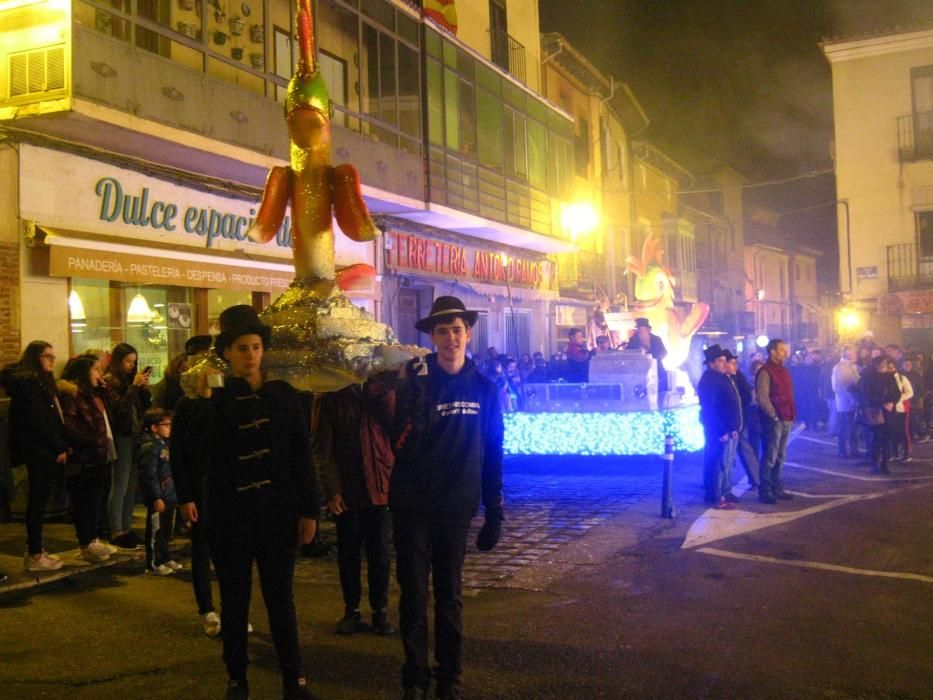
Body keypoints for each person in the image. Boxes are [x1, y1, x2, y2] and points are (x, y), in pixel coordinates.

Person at [184, 305, 320, 700]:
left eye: (256, 347)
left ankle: (294, 679)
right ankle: (237, 679)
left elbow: (301, 456)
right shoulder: (214, 399)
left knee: (281, 599)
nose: (250, 354)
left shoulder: (284, 396)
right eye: (242, 347)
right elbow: (198, 453)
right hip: (231, 517)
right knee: (235, 601)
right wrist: (203, 404)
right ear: (227, 352)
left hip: (278, 514)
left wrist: (310, 509)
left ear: (264, 351)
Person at [392, 295, 504, 700]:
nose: (451, 337)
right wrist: (410, 420)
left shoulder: (486, 390)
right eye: (443, 331)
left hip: (456, 508)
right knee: (413, 597)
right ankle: (415, 677)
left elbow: (493, 452)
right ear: (433, 338)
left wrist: (495, 511)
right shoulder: (416, 385)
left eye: (457, 330)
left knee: (450, 597)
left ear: (468, 334)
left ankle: (449, 676)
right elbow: (397, 444)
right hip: (412, 506)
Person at [314, 374, 397, 637]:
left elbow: (396, 428)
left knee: (380, 553)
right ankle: (352, 609)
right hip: (348, 488)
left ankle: (380, 610)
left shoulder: (385, 390)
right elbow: (324, 449)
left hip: (381, 486)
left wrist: (381, 395)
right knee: (348, 552)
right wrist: (332, 489)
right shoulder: (333, 397)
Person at [172, 334, 224, 636]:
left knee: (231, 552)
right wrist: (185, 496)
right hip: (200, 490)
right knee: (202, 551)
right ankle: (207, 609)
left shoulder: (226, 399)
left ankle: (233, 608)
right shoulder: (186, 406)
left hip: (226, 489)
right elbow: (180, 454)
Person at [1, 341, 69, 571]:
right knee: (37, 502)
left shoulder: (42, 382)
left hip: (44, 448)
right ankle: (35, 553)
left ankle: (36, 549)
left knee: (40, 500)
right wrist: (58, 446)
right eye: (46, 356)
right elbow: (39, 421)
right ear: (34, 358)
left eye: (53, 355)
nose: (52, 360)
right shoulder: (30, 384)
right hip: (39, 450)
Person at [58, 354, 118, 564]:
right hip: (87, 455)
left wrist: (104, 389)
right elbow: (70, 425)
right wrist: (94, 439)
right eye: (96, 370)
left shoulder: (96, 393)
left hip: (103, 452)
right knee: (87, 500)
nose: (101, 374)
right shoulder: (74, 395)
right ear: (85, 372)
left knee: (100, 497)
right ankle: (87, 542)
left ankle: (95, 538)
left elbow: (113, 410)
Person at [104, 342, 151, 551]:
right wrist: (133, 387)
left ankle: (126, 527)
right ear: (118, 361)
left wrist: (142, 388)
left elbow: (142, 407)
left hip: (135, 434)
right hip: (120, 436)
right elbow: (119, 410)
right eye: (127, 361)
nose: (131, 366)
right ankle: (116, 530)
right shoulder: (110, 381)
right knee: (120, 482)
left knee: (131, 485)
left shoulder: (129, 380)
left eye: (134, 362)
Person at [696, 345, 741, 508]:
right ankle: (715, 495)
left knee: (722, 462)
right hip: (717, 429)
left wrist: (733, 427)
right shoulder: (709, 380)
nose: (724, 364)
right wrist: (722, 430)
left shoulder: (719, 378)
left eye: (724, 361)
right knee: (716, 462)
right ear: (711, 363)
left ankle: (720, 493)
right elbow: (711, 408)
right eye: (720, 361)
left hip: (725, 428)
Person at [138, 407, 181, 576]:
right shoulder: (150, 447)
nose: (169, 428)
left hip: (169, 494)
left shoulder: (163, 444)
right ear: (154, 427)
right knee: (156, 530)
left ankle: (165, 557)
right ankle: (153, 563)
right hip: (159, 496)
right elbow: (149, 474)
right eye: (166, 424)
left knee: (166, 530)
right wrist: (156, 496)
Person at [756, 339, 796, 504]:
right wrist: (773, 415)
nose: (785, 353)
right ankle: (765, 490)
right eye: (781, 350)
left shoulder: (783, 370)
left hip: (786, 417)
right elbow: (763, 396)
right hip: (775, 419)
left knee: (780, 456)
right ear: (772, 351)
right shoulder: (765, 371)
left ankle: (776, 487)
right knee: (770, 456)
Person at [858, 355, 899, 475]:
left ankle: (885, 463)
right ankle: (874, 463)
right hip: (876, 411)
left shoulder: (890, 377)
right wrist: (882, 403)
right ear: (877, 364)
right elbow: (867, 395)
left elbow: (897, 392)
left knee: (887, 438)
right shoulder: (868, 377)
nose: (885, 366)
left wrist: (892, 402)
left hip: (889, 411)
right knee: (876, 438)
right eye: (884, 363)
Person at [725, 350, 759, 489]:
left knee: (744, 450)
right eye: (732, 363)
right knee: (727, 456)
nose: (735, 366)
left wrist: (742, 411)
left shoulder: (737, 376)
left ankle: (757, 480)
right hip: (730, 422)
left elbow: (746, 395)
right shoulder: (721, 378)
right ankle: (722, 487)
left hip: (740, 420)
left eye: (735, 363)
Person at [625, 318, 669, 396]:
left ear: (647, 329)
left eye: (640, 328)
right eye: (637, 328)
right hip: (639, 371)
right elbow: (628, 353)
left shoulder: (656, 339)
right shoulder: (633, 340)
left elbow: (664, 352)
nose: (638, 330)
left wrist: (653, 356)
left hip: (656, 369)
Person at [832, 347, 861, 458]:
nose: (856, 355)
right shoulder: (839, 368)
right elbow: (838, 387)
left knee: (854, 428)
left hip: (855, 402)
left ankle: (854, 449)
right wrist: (851, 398)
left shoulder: (853, 367)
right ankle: (842, 450)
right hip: (845, 403)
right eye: (854, 353)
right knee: (844, 428)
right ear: (847, 354)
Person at [889, 362, 913, 462]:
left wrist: (898, 398)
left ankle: (906, 453)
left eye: (891, 367)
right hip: (889, 409)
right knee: (892, 431)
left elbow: (910, 392)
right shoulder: (884, 379)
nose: (890, 370)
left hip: (901, 408)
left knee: (903, 431)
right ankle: (894, 453)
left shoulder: (902, 378)